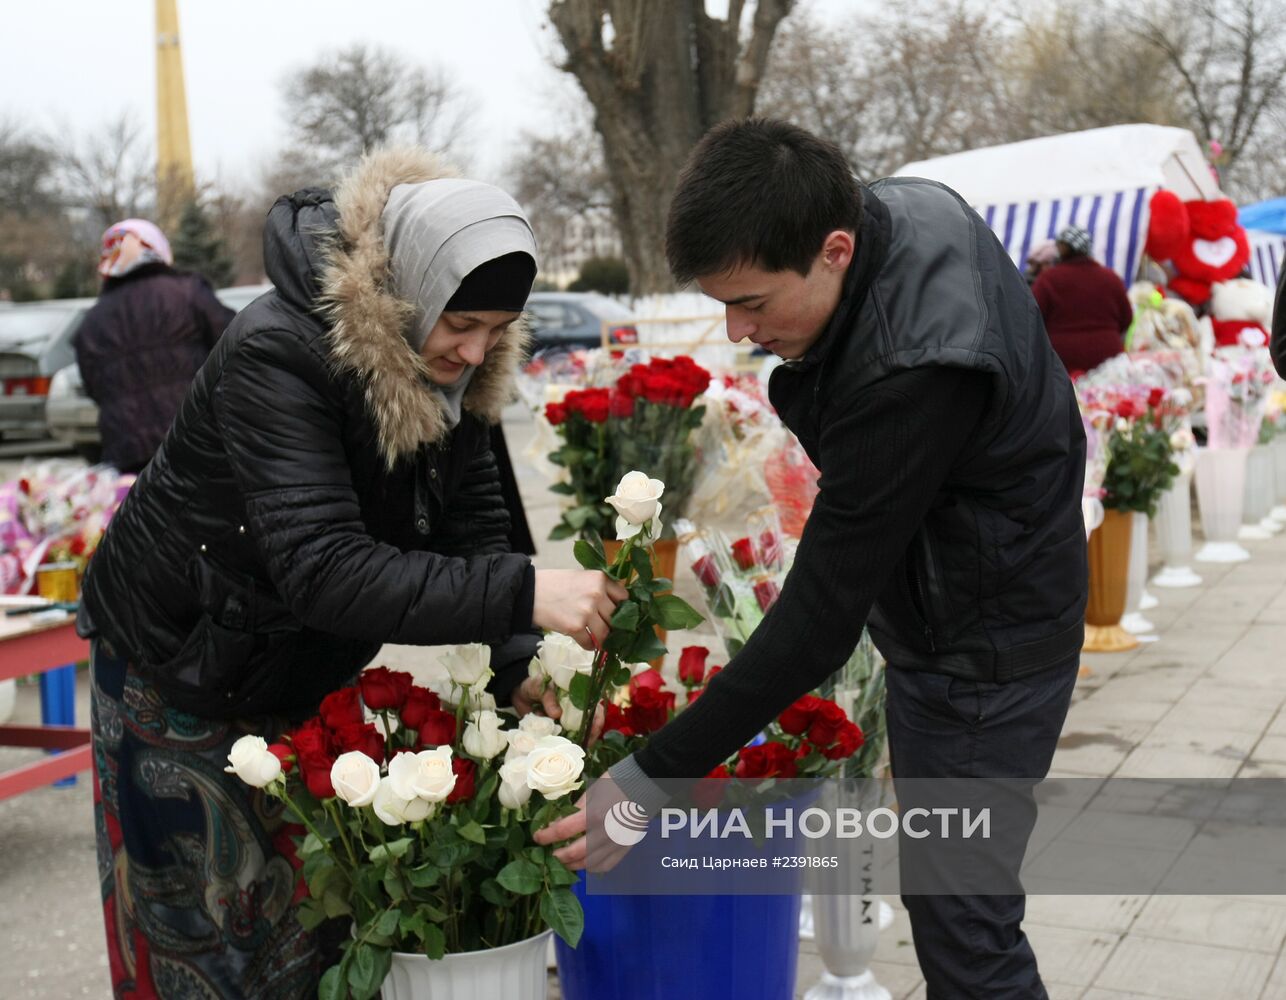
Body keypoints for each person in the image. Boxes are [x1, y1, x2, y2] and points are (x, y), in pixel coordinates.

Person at [537, 119, 1087, 999]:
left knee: (963, 921)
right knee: (954, 902)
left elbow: (820, 621)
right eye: (722, 303)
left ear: (835, 250)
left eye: (753, 302)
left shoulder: (913, 371)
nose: (738, 329)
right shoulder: (904, 211)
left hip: (982, 651)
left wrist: (648, 778)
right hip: (984, 593)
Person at [82, 148, 625, 999]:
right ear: (409, 289)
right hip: (179, 660)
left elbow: (476, 529)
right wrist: (529, 594)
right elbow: (324, 569)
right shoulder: (278, 352)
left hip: (292, 658)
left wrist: (519, 661)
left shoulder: (461, 368)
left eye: (497, 330)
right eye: (462, 322)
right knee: (206, 938)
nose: (475, 350)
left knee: (316, 926)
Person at [74, 218, 235, 473]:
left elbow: (94, 387)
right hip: (197, 439)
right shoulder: (188, 292)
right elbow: (233, 344)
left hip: (127, 450)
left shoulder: (91, 322)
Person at [1031, 225, 1133, 374]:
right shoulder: (1111, 278)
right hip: (1108, 358)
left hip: (1062, 359)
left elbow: (1033, 315)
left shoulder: (1048, 279)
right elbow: (1127, 318)